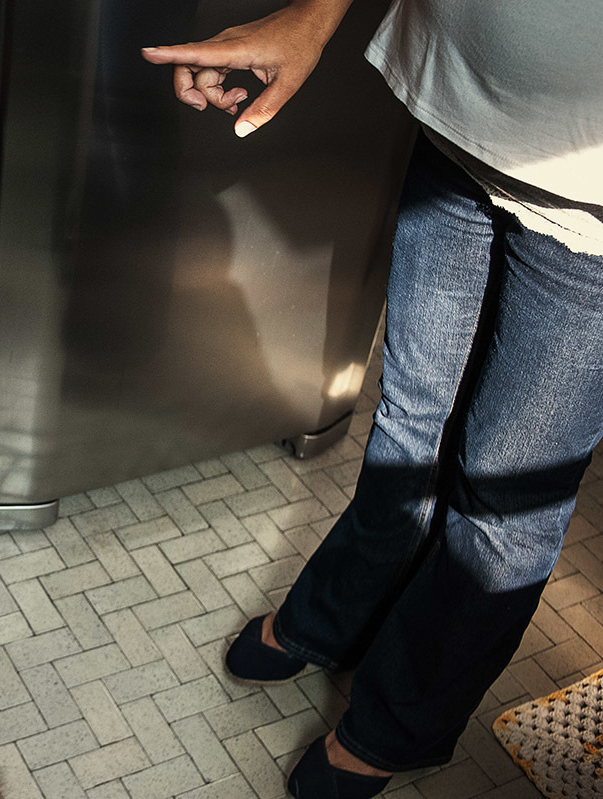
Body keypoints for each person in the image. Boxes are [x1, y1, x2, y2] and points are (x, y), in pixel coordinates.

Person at [142, 1, 603, 797]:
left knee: (503, 499)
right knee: (410, 423)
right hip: (458, 116)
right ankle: (338, 615)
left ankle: (399, 721)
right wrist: (313, 17)